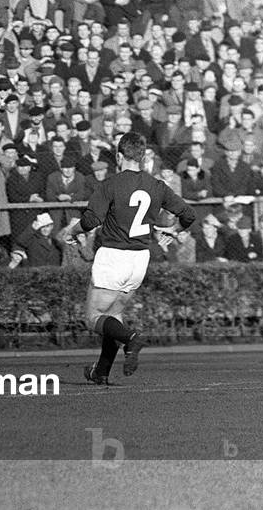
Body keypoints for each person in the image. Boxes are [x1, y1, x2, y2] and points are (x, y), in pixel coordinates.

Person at [61, 132, 196, 384]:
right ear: (143, 157)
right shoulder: (157, 185)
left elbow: (91, 220)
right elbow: (188, 214)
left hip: (114, 255)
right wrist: (174, 230)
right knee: (114, 316)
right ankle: (101, 371)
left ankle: (131, 338)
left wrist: (72, 231)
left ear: (119, 156)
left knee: (93, 318)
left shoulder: (111, 184)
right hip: (139, 260)